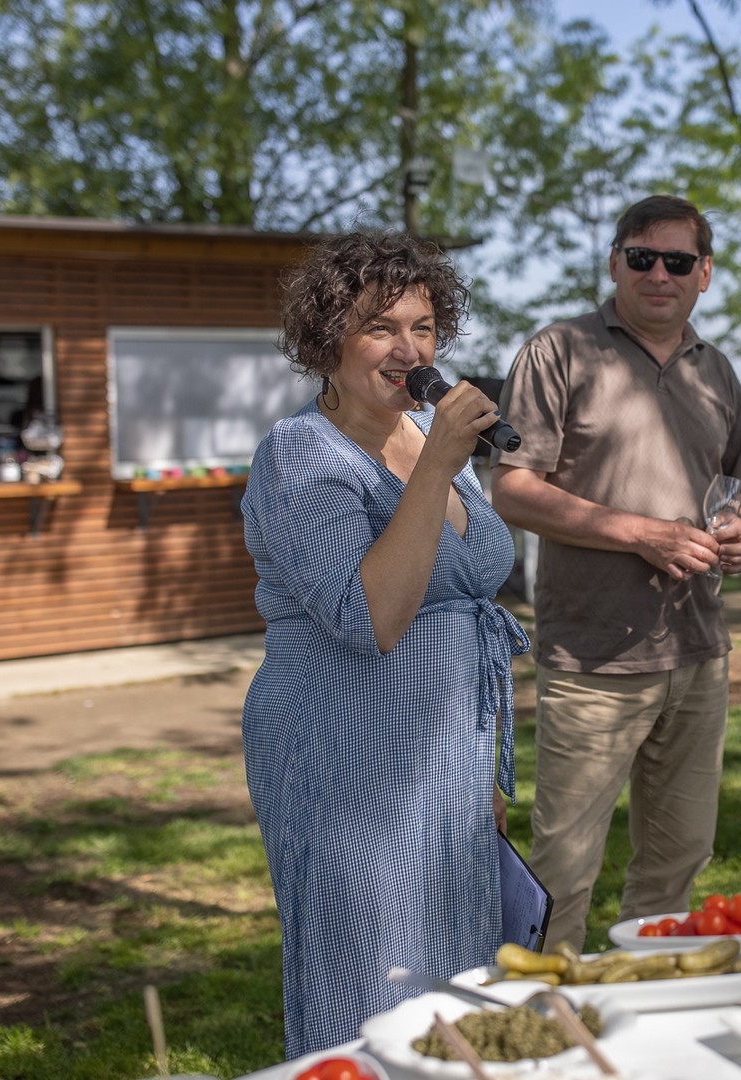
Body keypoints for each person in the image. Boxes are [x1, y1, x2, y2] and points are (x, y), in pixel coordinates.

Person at [240, 231, 530, 1056]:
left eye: (425, 327)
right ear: (325, 340)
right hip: (343, 762)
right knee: (369, 982)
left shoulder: (427, 441)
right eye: (380, 327)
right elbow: (369, 618)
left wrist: (478, 775)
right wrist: (439, 462)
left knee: (456, 980)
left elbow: (470, 579)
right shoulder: (301, 456)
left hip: (441, 756)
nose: (410, 349)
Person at [491, 194, 741, 949]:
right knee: (563, 867)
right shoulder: (559, 352)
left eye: (677, 261)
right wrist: (640, 534)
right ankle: (540, 1027)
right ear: (614, 262)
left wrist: (739, 534)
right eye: (641, 257)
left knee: (677, 859)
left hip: (698, 652)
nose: (658, 274)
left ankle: (631, 1015)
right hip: (592, 658)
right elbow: (511, 488)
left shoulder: (716, 372)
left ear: (703, 274)